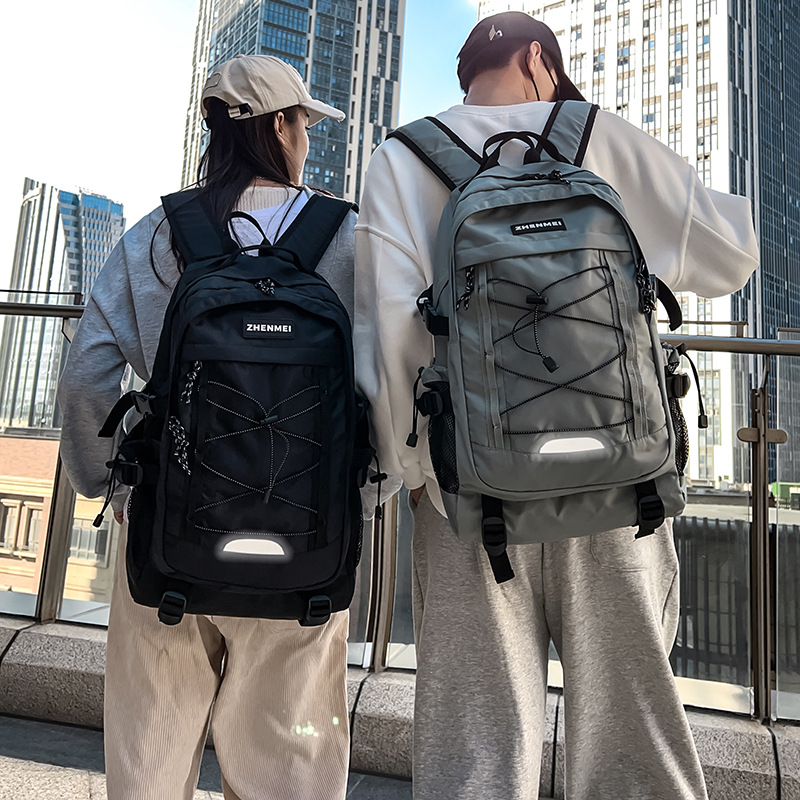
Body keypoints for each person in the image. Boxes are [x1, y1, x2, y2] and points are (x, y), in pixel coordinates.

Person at [354, 12, 758, 800]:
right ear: (539, 59)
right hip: (618, 478)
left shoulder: (401, 157)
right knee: (632, 732)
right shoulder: (600, 135)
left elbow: (387, 335)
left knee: (477, 747)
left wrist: (412, 470)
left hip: (468, 485)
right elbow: (731, 255)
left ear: (468, 72)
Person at [58, 55, 356, 800]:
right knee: (288, 770)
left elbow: (88, 371)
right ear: (280, 127)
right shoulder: (346, 235)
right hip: (305, 547)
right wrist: (361, 498)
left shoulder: (159, 232)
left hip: (169, 534)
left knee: (150, 763)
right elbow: (388, 384)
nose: (308, 140)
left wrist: (104, 485)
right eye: (304, 124)